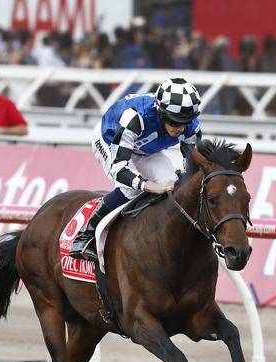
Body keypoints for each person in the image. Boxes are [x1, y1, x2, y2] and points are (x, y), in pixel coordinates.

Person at [69, 77, 202, 260]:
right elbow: (119, 169)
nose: (180, 128)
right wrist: (149, 185)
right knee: (131, 189)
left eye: (185, 122)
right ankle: (85, 235)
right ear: (161, 113)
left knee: (172, 185)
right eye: (173, 121)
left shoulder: (191, 126)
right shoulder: (135, 117)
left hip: (146, 148)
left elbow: (194, 164)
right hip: (109, 140)